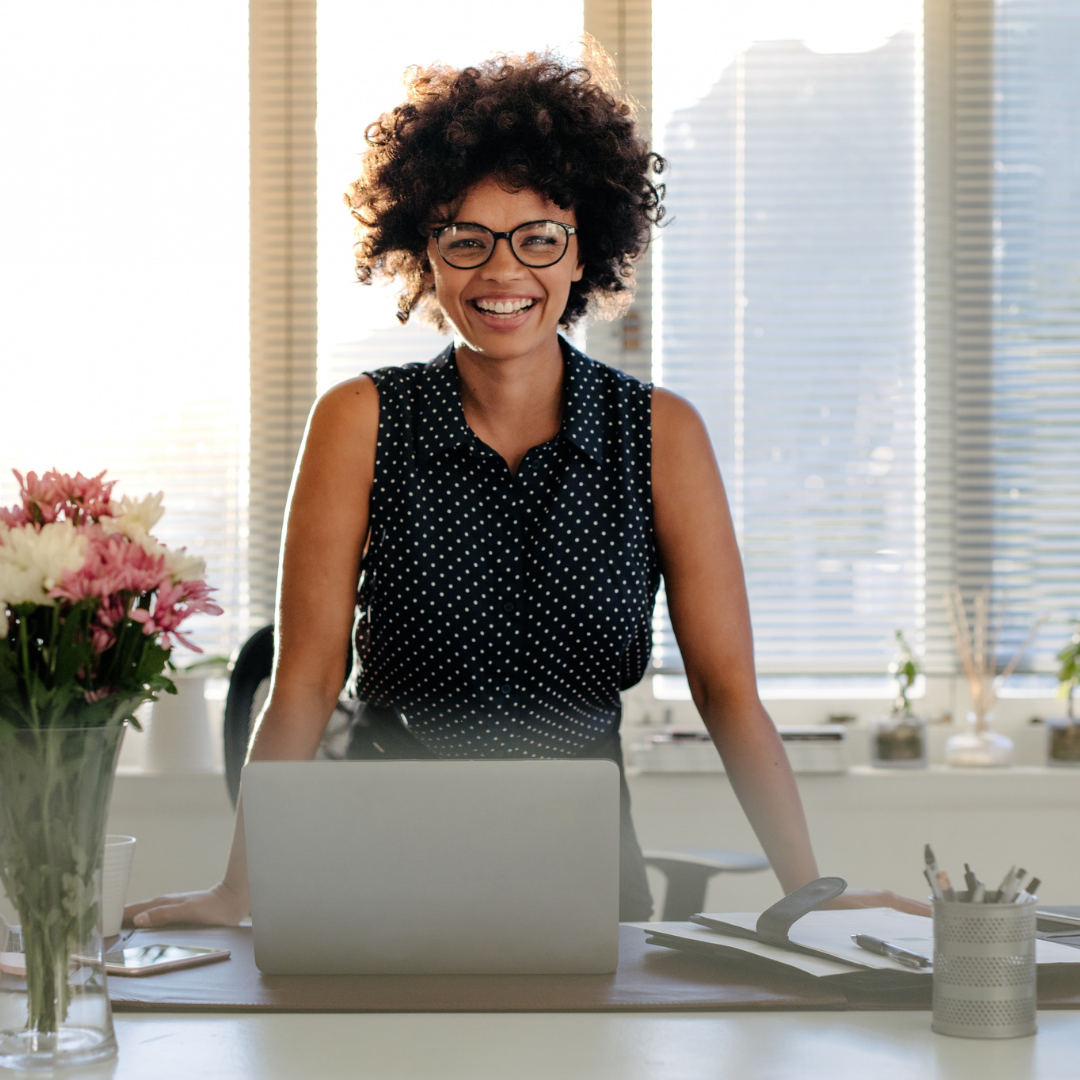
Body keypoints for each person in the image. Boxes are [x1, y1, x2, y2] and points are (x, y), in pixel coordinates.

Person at [127, 48, 925, 929]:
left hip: (577, 860)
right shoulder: (359, 421)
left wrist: (808, 893)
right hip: (377, 852)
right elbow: (307, 682)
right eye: (466, 239)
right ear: (424, 255)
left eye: (539, 237)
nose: (503, 272)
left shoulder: (663, 436)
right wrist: (239, 891)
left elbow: (727, 690)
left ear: (586, 250)